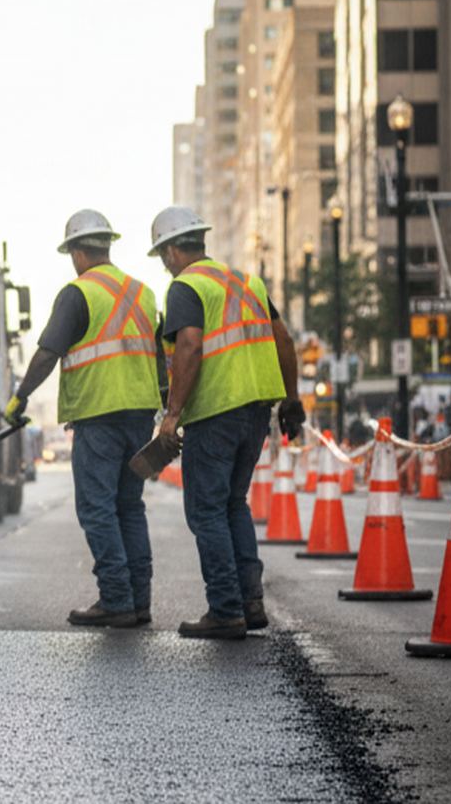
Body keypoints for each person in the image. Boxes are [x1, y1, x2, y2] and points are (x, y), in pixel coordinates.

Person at [149, 206, 303, 640]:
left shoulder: (186, 286)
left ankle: (225, 608)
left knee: (206, 510)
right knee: (234, 503)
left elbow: (190, 346)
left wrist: (172, 415)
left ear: (172, 250)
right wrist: (292, 399)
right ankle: (249, 602)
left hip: (215, 413)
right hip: (256, 412)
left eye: (164, 254)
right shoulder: (247, 282)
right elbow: (285, 340)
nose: (165, 263)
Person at [5, 210, 161, 629]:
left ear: (76, 253)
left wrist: (20, 397)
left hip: (99, 415)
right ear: (106, 245)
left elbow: (47, 354)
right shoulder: (143, 292)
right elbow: (160, 358)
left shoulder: (79, 293)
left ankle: (116, 600)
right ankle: (138, 601)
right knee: (129, 506)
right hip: (140, 415)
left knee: (97, 509)